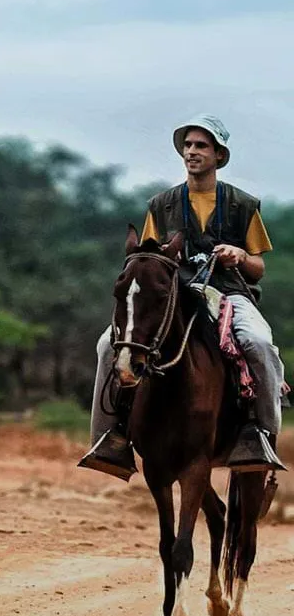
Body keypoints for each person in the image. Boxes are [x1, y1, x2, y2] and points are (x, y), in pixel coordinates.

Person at [78, 114, 287, 479]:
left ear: (219, 156)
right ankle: (109, 438)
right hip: (175, 294)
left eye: (201, 146)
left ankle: (261, 436)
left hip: (230, 293)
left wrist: (238, 256)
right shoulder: (161, 204)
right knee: (106, 346)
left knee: (258, 342)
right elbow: (147, 255)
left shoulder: (243, 204)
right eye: (188, 145)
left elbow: (259, 267)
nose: (192, 152)